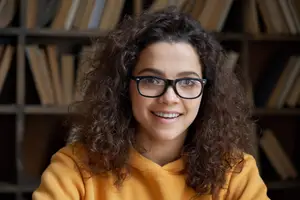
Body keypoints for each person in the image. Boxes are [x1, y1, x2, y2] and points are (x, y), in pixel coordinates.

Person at [32, 6, 270, 200]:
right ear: (125, 86)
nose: (169, 98)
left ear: (206, 92)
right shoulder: (76, 167)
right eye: (152, 80)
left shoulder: (235, 172)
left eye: (187, 82)